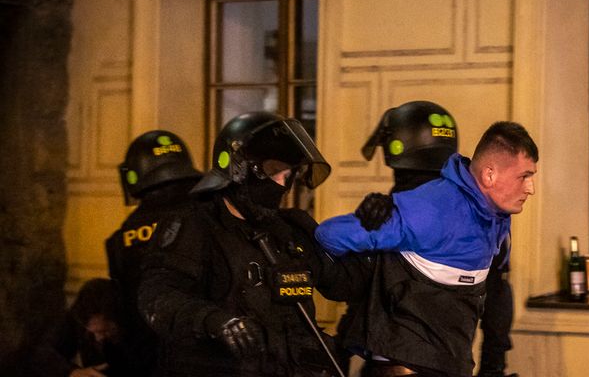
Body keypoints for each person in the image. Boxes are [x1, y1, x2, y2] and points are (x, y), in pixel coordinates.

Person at [137, 112, 360, 377]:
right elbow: (158, 297)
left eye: (289, 174)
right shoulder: (195, 226)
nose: (282, 183)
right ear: (239, 168)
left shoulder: (292, 229)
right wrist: (216, 322)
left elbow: (346, 284)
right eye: (274, 170)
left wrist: (368, 230)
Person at [316, 121, 538, 377]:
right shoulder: (432, 211)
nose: (530, 188)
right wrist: (370, 219)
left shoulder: (491, 216)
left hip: (448, 363)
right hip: (404, 365)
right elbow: (329, 235)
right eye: (524, 176)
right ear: (489, 175)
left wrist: (493, 367)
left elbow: (496, 296)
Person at [105, 130, 203, 376]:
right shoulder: (209, 213)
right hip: (208, 351)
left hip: (147, 359)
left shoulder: (123, 237)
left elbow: (124, 309)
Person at [27, 278, 131, 377]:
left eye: (105, 331)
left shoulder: (137, 327)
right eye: (91, 332)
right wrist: (71, 372)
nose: (97, 338)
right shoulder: (79, 317)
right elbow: (43, 353)